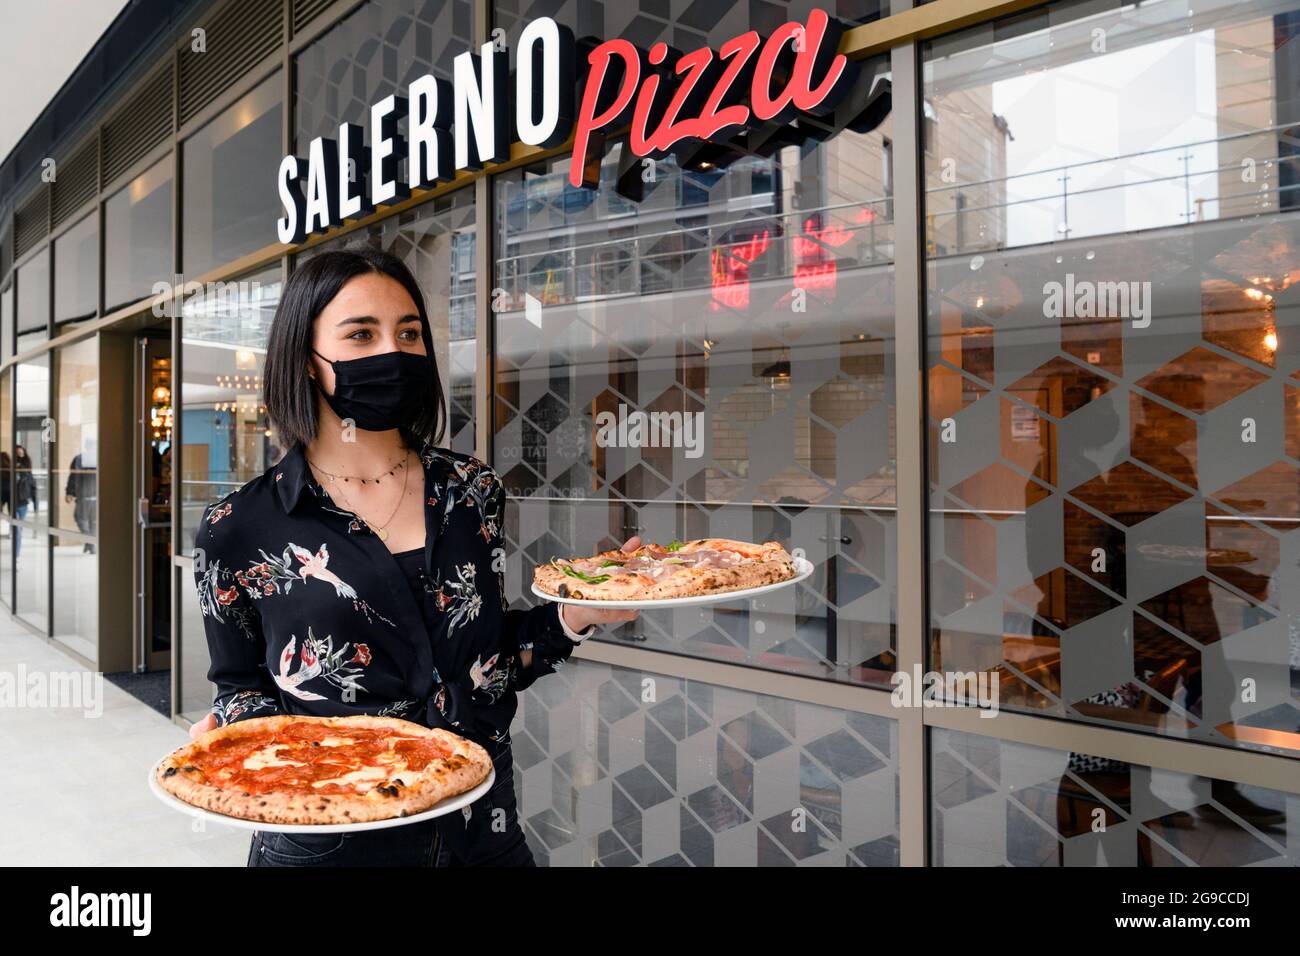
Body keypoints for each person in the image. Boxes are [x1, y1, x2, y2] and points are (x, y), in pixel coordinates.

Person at [187, 247, 637, 866]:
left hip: (481, 820)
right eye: (360, 334)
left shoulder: (472, 491)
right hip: (330, 833)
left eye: (408, 333)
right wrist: (238, 736)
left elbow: (490, 660)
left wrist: (578, 613)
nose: (391, 353)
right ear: (306, 358)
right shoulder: (235, 529)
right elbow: (241, 690)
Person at [64, 451, 97, 552]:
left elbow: (73, 477)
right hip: (96, 496)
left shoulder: (79, 458)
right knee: (93, 522)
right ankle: (90, 543)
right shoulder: (99, 457)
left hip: (84, 496)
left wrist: (69, 492)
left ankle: (90, 542)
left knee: (80, 518)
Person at [13, 445, 37, 562]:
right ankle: (16, 557)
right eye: (18, 453)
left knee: (19, 530)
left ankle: (16, 553)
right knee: (17, 530)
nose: (20, 455)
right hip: (13, 503)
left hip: (23, 504)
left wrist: (35, 504)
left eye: (21, 453)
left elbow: (33, 487)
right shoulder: (10, 471)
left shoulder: (27, 472)